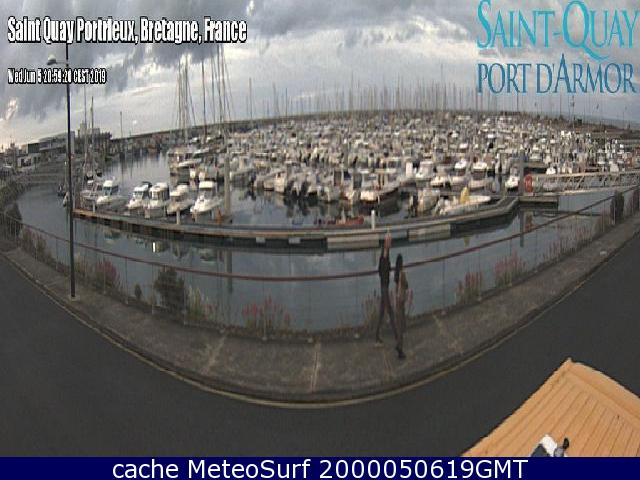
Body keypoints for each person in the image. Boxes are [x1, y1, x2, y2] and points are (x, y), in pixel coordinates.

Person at [375, 233, 398, 347]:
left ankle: (377, 337)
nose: (390, 243)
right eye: (389, 241)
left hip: (384, 285)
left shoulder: (386, 252)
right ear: (386, 242)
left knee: (382, 313)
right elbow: (382, 269)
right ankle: (397, 335)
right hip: (384, 286)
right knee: (390, 311)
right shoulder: (384, 253)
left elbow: (382, 269)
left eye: (390, 241)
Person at [394, 254, 407, 360]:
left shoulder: (396, 274)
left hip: (397, 299)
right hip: (401, 299)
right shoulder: (402, 273)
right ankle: (400, 348)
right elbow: (406, 285)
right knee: (400, 325)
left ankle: (398, 344)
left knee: (399, 323)